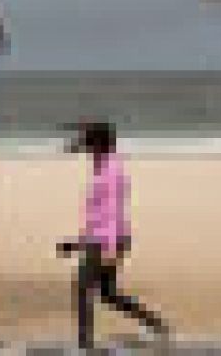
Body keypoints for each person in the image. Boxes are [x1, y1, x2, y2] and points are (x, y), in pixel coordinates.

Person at [59, 120, 170, 348]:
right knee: (108, 294)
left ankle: (84, 344)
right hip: (101, 238)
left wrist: (109, 247)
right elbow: (98, 214)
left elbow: (112, 211)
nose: (85, 148)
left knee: (82, 287)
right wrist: (77, 242)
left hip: (107, 239)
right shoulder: (102, 165)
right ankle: (155, 324)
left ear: (99, 144)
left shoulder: (112, 170)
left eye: (88, 144)